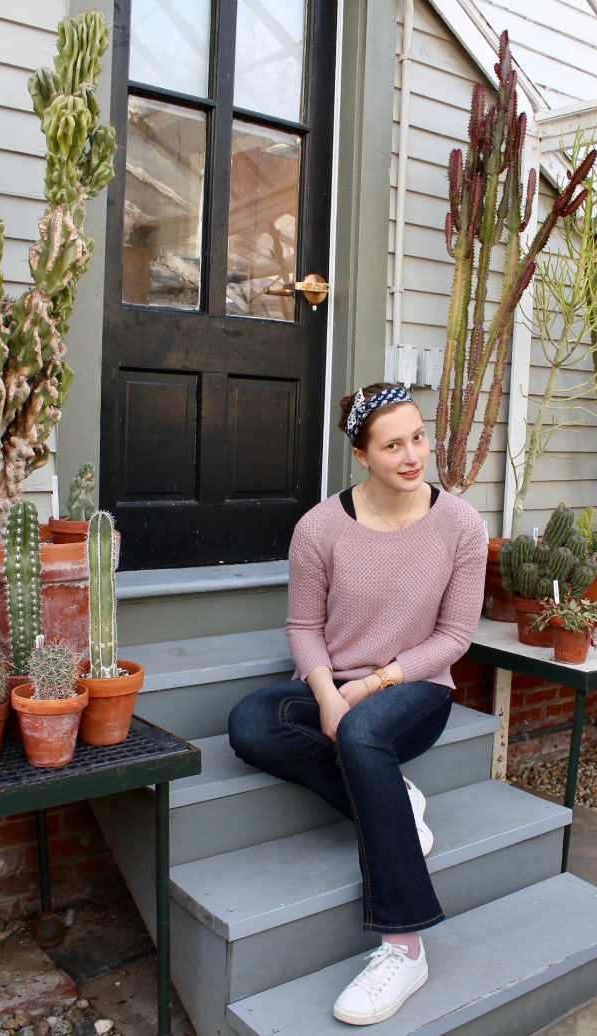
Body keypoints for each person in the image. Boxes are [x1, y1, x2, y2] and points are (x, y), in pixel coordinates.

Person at [228, 383, 487, 1025]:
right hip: (333, 681)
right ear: (362, 455)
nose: (411, 455)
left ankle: (404, 947)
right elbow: (302, 628)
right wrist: (324, 692)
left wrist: (371, 686)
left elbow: (455, 637)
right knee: (252, 722)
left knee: (363, 733)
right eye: (392, 444)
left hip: (416, 688)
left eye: (418, 437)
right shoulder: (320, 527)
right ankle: (397, 802)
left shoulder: (461, 524)